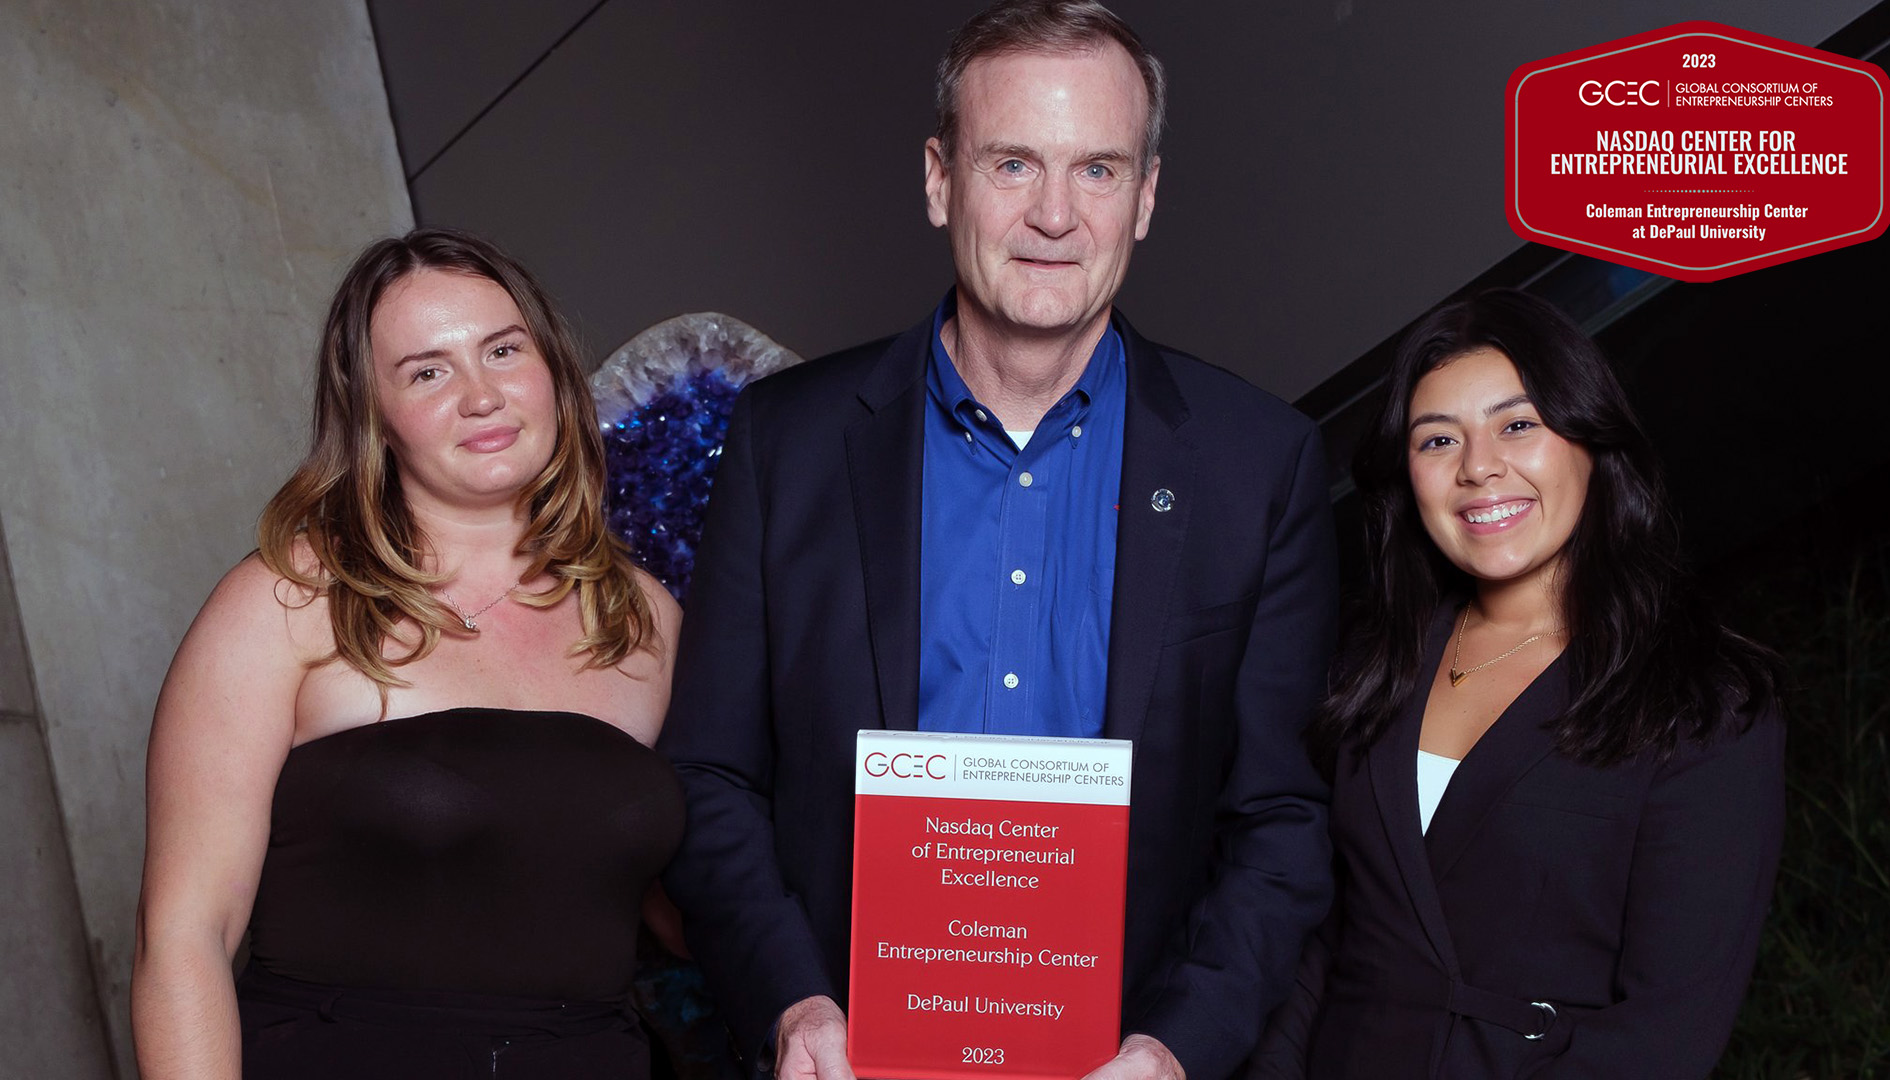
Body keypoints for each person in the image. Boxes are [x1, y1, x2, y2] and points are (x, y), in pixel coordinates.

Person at [660, 3, 1337, 1079]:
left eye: (1099, 170)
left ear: (1148, 196)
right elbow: (706, 773)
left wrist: (1176, 1050)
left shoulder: (1258, 468)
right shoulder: (786, 442)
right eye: (1013, 163)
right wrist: (792, 1006)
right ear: (940, 180)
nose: (1055, 215)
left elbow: (1281, 822)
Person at [130, 228, 684, 1079]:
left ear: (554, 372)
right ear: (374, 417)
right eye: (428, 371)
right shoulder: (288, 600)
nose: (482, 395)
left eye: (503, 350)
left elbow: (684, 904)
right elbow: (183, 941)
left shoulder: (643, 618)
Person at [1262, 288, 1784, 1077]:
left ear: (1590, 438)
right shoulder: (1373, 661)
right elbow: (1323, 941)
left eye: (1517, 425)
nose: (1479, 468)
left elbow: (1664, 1038)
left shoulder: (1704, 702)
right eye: (1438, 440)